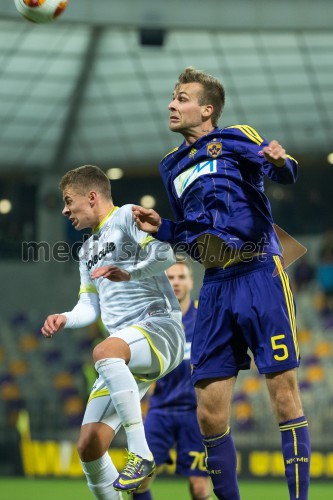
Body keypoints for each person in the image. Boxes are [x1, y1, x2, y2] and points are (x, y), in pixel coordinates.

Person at [132, 67, 311, 500]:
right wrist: (163, 227)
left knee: (284, 398)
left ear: (206, 109)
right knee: (210, 417)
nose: (172, 104)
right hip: (215, 284)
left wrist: (278, 162)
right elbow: (189, 231)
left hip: (258, 273)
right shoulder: (170, 165)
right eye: (172, 97)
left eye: (182, 98)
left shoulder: (235, 138)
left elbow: (284, 171)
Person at [41, 165, 185, 498]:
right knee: (89, 445)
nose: (65, 210)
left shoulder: (126, 217)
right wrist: (64, 317)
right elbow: (89, 306)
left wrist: (130, 272)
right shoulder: (86, 252)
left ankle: (141, 453)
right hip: (126, 351)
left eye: (68, 201)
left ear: (91, 197)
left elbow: (166, 254)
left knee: (104, 351)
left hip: (159, 327)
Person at [133, 258, 211, 500]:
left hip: (195, 413)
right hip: (161, 410)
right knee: (138, 480)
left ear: (190, 282)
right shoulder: (153, 321)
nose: (175, 282)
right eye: (170, 278)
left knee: (199, 487)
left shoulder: (205, 319)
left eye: (180, 277)